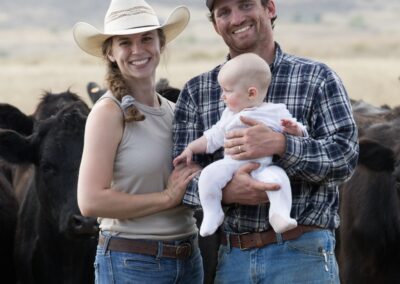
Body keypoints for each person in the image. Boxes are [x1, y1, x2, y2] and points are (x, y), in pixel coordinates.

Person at [173, 0, 359, 283]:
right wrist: (227, 191)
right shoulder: (198, 92)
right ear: (215, 24)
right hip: (233, 257)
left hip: (302, 253)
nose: (236, 19)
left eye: (246, 5)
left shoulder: (317, 78)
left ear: (270, 8)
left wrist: (281, 145)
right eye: (223, 12)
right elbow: (180, 175)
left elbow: (344, 159)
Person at [73, 0, 203, 283]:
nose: (138, 50)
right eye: (125, 42)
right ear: (110, 52)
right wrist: (167, 198)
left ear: (161, 43)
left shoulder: (173, 111)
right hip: (133, 261)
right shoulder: (109, 113)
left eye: (146, 38)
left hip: (189, 259)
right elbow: (90, 200)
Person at [174, 53, 305, 237]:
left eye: (227, 91)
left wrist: (293, 130)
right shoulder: (229, 115)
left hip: (263, 166)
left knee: (279, 179)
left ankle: (279, 214)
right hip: (230, 165)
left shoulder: (275, 111)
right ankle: (212, 212)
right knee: (208, 176)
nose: (222, 97)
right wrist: (190, 148)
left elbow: (296, 128)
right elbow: (212, 138)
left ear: (251, 93)